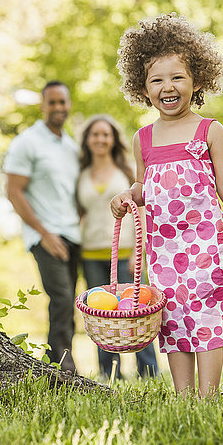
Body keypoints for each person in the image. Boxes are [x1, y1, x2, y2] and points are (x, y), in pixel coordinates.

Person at [111, 13, 223, 397]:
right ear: (142, 88)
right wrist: (127, 195)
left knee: (209, 315)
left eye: (177, 77)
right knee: (173, 319)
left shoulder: (210, 130)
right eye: (157, 79)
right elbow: (145, 189)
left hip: (208, 243)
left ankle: (208, 395)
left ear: (197, 80)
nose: (168, 86)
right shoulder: (142, 138)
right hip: (164, 249)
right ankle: (183, 396)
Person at [4, 81, 80, 372]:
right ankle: (62, 366)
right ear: (42, 105)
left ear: (69, 104)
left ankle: (63, 360)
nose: (59, 108)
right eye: (53, 102)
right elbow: (13, 191)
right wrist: (45, 234)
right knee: (61, 297)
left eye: (63, 102)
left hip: (73, 234)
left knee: (70, 300)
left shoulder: (70, 145)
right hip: (45, 235)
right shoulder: (27, 142)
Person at [77, 114, 159, 379]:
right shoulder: (81, 174)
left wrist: (140, 252)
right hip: (90, 253)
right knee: (101, 315)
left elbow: (142, 211)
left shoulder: (126, 171)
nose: (100, 139)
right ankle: (109, 373)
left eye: (105, 134)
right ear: (88, 140)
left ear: (113, 139)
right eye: (95, 134)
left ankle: (149, 372)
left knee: (136, 313)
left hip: (126, 252)